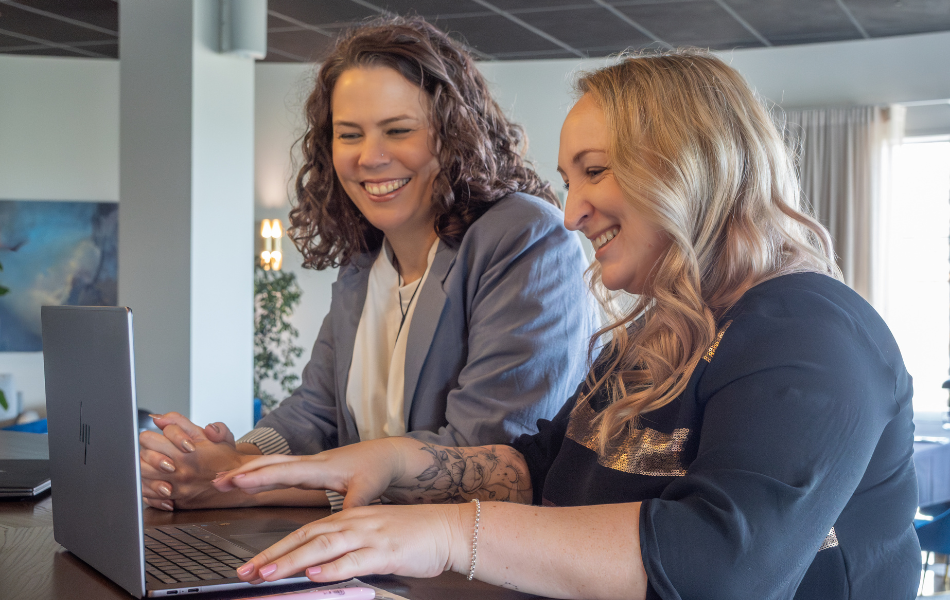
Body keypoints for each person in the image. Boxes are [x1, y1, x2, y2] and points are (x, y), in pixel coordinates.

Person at [212, 50, 920, 599]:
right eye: (568, 179)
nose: (573, 212)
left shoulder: (812, 329)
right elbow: (534, 469)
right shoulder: (656, 335)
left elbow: (721, 561)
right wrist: (392, 462)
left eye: (596, 171)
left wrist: (449, 533)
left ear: (690, 167)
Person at [138, 17, 598, 512]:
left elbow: (482, 459)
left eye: (398, 130)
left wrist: (242, 486)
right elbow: (312, 414)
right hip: (377, 549)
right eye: (349, 134)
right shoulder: (365, 260)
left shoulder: (525, 237)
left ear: (454, 133)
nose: (370, 157)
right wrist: (224, 461)